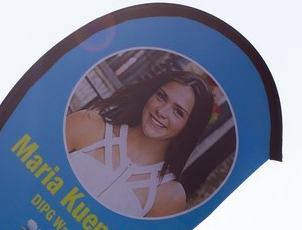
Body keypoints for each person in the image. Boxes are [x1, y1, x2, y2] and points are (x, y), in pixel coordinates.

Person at [65, 70, 214, 218]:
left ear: (190, 126)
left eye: (178, 112)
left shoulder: (170, 196)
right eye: (161, 96)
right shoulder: (86, 124)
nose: (162, 111)